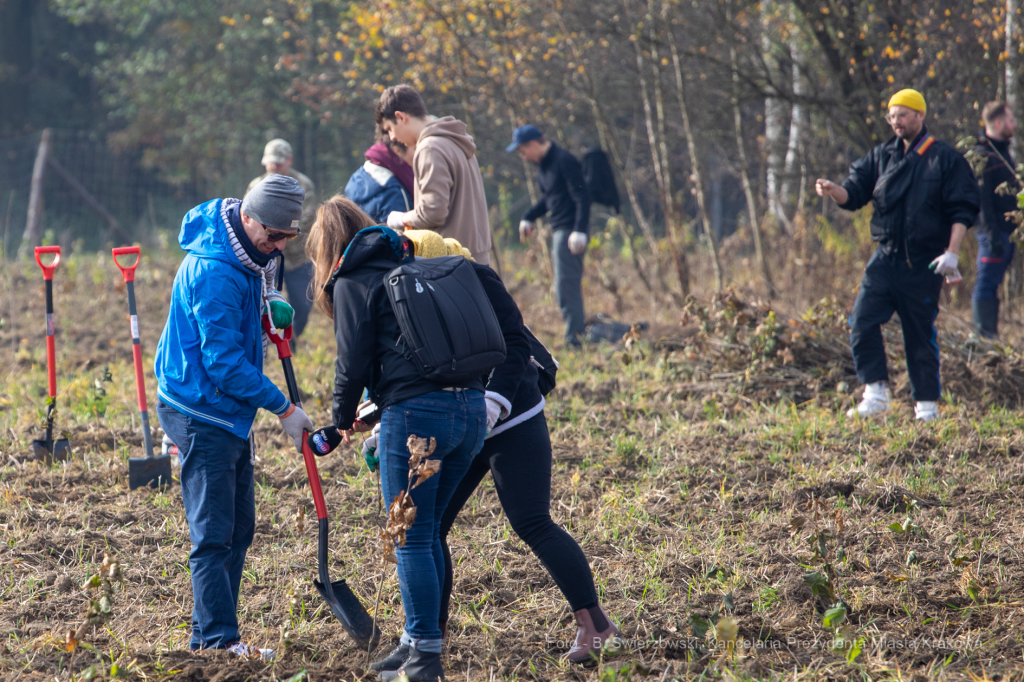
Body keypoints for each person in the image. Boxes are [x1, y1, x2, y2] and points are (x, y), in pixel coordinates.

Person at [306, 197, 490, 682]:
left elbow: (351, 364)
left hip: (417, 421)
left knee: (409, 537)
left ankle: (425, 657)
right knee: (426, 530)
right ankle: (413, 642)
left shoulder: (350, 279)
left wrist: (343, 419)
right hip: (470, 412)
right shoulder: (412, 262)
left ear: (324, 249)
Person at [154, 175, 315, 656]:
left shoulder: (253, 255)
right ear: (248, 217)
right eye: (273, 234)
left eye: (288, 237)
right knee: (213, 535)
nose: (279, 245)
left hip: (228, 410)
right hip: (200, 406)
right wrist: (284, 407)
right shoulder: (216, 271)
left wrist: (269, 306)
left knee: (238, 528)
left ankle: (212, 637)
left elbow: (253, 309)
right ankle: (219, 642)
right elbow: (222, 363)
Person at [816, 89, 979, 422]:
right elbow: (855, 192)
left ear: (920, 115)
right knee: (861, 321)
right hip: (885, 258)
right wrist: (835, 191)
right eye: (892, 116)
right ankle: (875, 393)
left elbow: (963, 209)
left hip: (924, 262)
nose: (896, 122)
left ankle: (927, 407)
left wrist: (952, 252)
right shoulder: (881, 156)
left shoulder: (945, 158)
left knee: (919, 334)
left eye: (902, 115)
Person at [376, 84, 493, 265]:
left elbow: (433, 213)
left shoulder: (430, 148)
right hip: (476, 257)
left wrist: (400, 219)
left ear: (400, 117)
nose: (391, 137)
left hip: (453, 264)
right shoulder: (455, 139)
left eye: (390, 128)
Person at [509, 125, 592, 347]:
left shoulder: (564, 160)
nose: (523, 156)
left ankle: (575, 338)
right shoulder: (544, 166)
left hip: (569, 231)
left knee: (566, 285)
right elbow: (550, 199)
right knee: (562, 286)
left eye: (523, 151)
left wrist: (580, 230)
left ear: (533, 144)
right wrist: (528, 216)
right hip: (559, 230)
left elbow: (582, 196)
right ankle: (575, 334)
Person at [247, 139, 318, 347]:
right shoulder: (256, 186)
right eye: (270, 162)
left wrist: (280, 234)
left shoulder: (304, 186)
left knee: (303, 306)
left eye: (278, 162)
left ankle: (290, 340)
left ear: (289, 161)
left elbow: (306, 219)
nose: (273, 167)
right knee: (258, 303)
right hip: (265, 257)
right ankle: (263, 342)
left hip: (298, 258)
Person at [971, 101, 1019, 338]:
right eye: (1011, 120)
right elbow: (983, 201)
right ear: (998, 123)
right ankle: (984, 334)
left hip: (1006, 231)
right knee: (986, 281)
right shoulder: (983, 156)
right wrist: (991, 234)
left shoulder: (1003, 152)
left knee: (994, 281)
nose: (1015, 125)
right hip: (992, 232)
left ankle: (991, 333)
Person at [344, 136, 415, 223]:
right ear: (398, 151)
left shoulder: (357, 178)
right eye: (415, 149)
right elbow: (403, 235)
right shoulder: (395, 192)